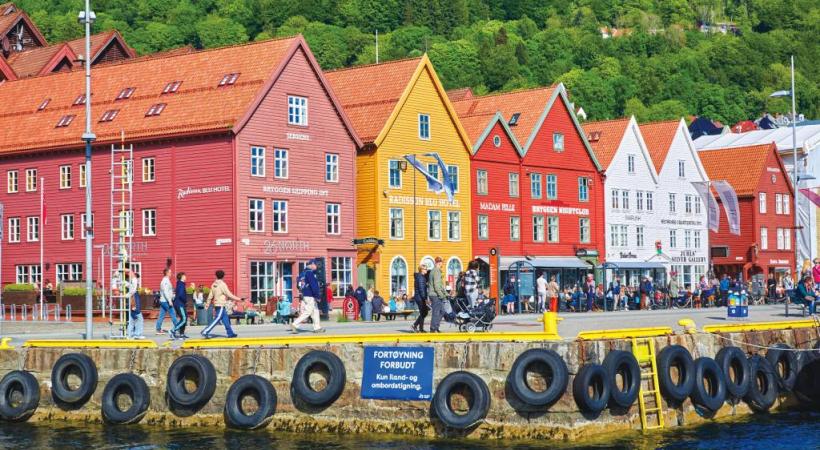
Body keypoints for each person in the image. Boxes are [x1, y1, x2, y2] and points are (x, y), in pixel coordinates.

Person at [202, 270, 241, 338]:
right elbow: (229, 294)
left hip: (218, 304)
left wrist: (207, 303)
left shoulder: (214, 284)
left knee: (225, 319)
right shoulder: (222, 284)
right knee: (217, 319)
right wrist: (239, 299)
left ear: (216, 276)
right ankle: (205, 331)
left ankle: (230, 333)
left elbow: (210, 295)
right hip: (220, 304)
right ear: (223, 276)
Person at [291, 259, 325, 333]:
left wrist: (303, 290)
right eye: (316, 265)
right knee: (308, 311)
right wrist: (317, 296)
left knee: (315, 311)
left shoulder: (302, 273)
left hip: (305, 294)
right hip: (310, 295)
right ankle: (295, 324)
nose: (317, 266)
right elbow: (314, 285)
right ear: (312, 264)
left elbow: (298, 285)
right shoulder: (310, 273)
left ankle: (317, 327)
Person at [428, 257, 447, 333]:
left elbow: (440, 285)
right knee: (436, 312)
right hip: (435, 294)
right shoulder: (436, 271)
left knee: (442, 311)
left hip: (436, 294)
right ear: (439, 263)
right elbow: (436, 285)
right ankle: (433, 329)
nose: (442, 264)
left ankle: (436, 326)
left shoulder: (436, 271)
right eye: (442, 262)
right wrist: (441, 295)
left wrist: (445, 293)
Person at [156, 268, 178, 335]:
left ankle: (158, 329)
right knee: (173, 314)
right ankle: (178, 328)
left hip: (164, 300)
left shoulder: (166, 280)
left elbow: (168, 291)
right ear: (167, 273)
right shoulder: (165, 281)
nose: (171, 274)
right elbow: (165, 292)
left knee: (161, 315)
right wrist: (169, 301)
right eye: (170, 272)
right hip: (166, 301)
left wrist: (173, 295)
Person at [126, 271, 144, 339]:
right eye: (138, 278)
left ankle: (130, 334)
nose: (138, 280)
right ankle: (137, 334)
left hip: (133, 300)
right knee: (138, 318)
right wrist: (133, 306)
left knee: (132, 319)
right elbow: (132, 292)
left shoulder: (130, 283)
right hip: (134, 300)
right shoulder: (134, 281)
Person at [170, 272, 188, 339]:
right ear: (182, 277)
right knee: (184, 319)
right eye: (185, 276)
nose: (186, 277)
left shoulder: (181, 284)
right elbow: (180, 295)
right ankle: (173, 330)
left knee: (184, 318)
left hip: (180, 303)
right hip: (180, 304)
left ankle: (182, 333)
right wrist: (185, 301)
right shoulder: (181, 284)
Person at [412, 265, 429, 332]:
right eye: (425, 269)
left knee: (424, 312)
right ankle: (416, 326)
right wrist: (425, 298)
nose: (426, 270)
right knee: (424, 312)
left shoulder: (421, 277)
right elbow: (421, 289)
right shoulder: (421, 278)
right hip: (420, 298)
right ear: (421, 270)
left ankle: (419, 327)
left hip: (419, 297)